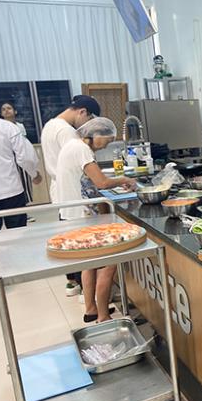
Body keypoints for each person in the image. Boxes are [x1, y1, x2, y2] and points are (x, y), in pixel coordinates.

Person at [55, 118, 136, 322]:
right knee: (108, 263)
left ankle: (91, 309)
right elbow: (101, 181)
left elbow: (91, 184)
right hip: (82, 215)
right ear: (95, 135)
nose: (106, 145)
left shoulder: (72, 146)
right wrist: (125, 180)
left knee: (89, 263)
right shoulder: (82, 149)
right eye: (106, 141)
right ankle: (103, 316)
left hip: (71, 213)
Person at [41, 94, 100, 296]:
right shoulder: (67, 132)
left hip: (60, 189)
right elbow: (80, 161)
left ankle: (72, 283)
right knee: (80, 243)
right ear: (82, 111)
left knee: (69, 237)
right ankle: (86, 292)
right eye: (89, 119)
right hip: (72, 190)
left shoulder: (50, 124)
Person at [0, 111, 42, 290]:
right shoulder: (5, 127)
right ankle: (18, 270)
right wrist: (34, 174)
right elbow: (25, 157)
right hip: (10, 190)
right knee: (16, 233)